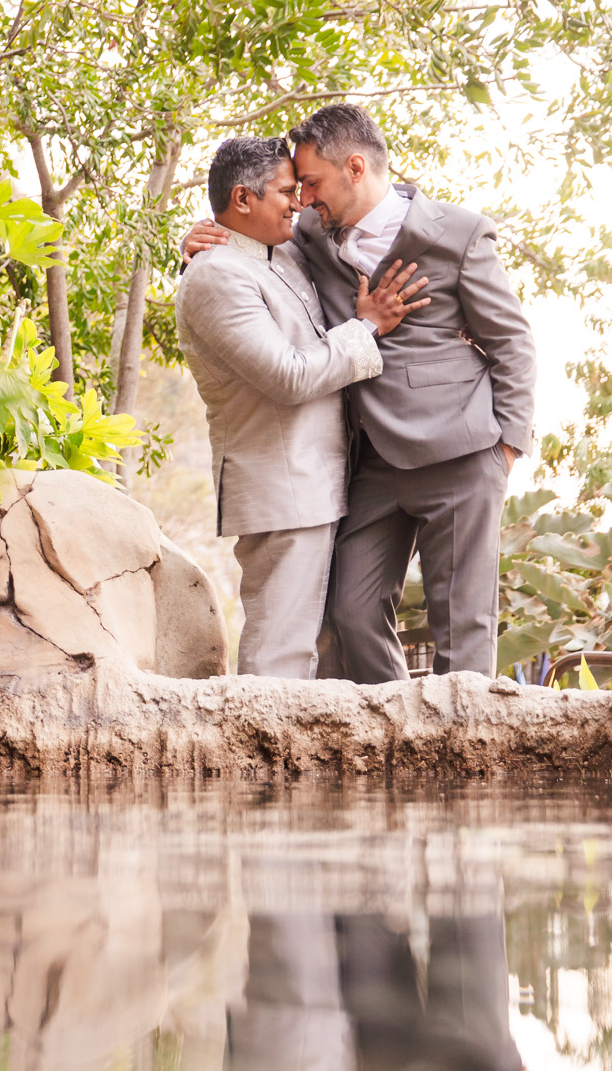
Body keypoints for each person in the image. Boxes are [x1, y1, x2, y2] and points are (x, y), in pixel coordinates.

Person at [185, 104, 537, 681]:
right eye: (294, 188)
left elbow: (512, 343)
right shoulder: (308, 236)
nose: (303, 198)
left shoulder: (460, 233)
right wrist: (204, 239)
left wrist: (508, 447)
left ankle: (464, 761)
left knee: (464, 623)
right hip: (369, 462)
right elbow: (251, 255)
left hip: (462, 450)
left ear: (354, 167)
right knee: (350, 611)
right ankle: (399, 739)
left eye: (312, 183)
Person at [175, 136, 427, 678]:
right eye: (288, 191)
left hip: (327, 481)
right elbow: (287, 376)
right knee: (281, 655)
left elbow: (355, 211)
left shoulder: (282, 247)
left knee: (330, 651)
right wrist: (368, 327)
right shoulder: (214, 276)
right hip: (282, 488)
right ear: (243, 200)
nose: (300, 202)